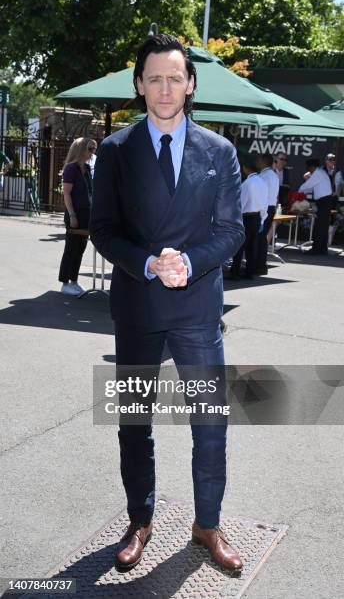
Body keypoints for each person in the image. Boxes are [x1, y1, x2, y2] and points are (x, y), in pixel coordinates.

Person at [89, 34, 245, 572]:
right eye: (154, 78)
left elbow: (232, 232)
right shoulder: (114, 151)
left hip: (199, 309)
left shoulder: (219, 152)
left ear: (190, 84)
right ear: (139, 85)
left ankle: (208, 524)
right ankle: (140, 519)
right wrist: (149, 262)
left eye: (174, 78)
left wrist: (188, 261)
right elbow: (103, 231)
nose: (164, 88)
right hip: (137, 306)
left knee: (210, 423)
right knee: (134, 423)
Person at [58, 137, 93, 295]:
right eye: (90, 149)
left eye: (93, 149)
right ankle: (65, 283)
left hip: (86, 213)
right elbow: (67, 194)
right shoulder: (71, 168)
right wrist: (72, 214)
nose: (92, 152)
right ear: (81, 150)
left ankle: (74, 281)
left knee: (80, 248)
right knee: (71, 248)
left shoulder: (86, 168)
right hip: (75, 213)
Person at [230, 155, 268, 279]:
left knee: (240, 246)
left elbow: (241, 203)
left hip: (246, 217)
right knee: (253, 246)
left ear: (245, 168)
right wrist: (262, 219)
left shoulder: (247, 183)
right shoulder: (262, 182)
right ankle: (250, 271)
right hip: (257, 217)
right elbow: (265, 203)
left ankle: (235, 272)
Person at [299, 158, 332, 255]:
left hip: (324, 201)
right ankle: (322, 249)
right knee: (323, 226)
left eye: (309, 168)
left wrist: (299, 192)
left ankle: (316, 250)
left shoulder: (317, 173)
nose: (308, 171)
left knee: (319, 226)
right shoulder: (320, 172)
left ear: (312, 167)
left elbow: (306, 186)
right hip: (325, 201)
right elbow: (311, 187)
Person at [256, 153, 279, 275]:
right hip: (270, 207)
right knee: (261, 237)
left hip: (264, 208)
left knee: (259, 238)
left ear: (264, 162)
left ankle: (258, 265)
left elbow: (261, 194)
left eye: (259, 160)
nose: (257, 162)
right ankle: (260, 264)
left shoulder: (264, 176)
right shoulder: (273, 175)